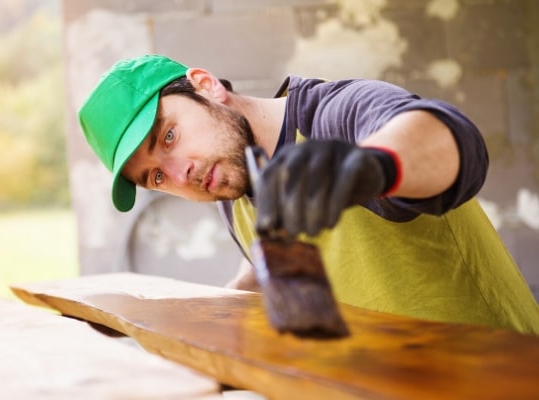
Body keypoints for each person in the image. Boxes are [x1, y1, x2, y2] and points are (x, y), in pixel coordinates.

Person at [79, 54, 539, 335]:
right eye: (156, 177)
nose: (181, 174)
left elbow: (449, 142)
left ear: (206, 86)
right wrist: (172, 324)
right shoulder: (233, 184)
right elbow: (262, 267)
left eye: (170, 136)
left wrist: (373, 166)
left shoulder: (335, 114)